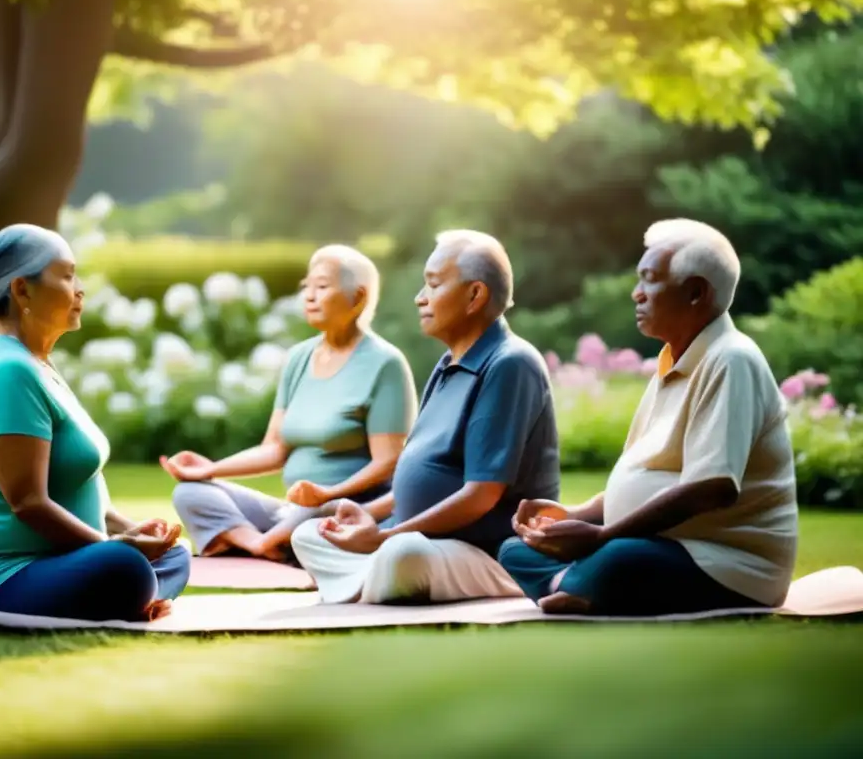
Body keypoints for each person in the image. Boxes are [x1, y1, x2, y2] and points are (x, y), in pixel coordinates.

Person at [498, 218, 799, 616]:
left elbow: (714, 486)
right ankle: (579, 584)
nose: (636, 294)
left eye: (650, 279)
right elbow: (643, 476)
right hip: (658, 547)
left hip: (725, 564)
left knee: (618, 559)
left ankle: (586, 582)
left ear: (695, 293)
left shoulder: (730, 359)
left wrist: (602, 536)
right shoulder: (671, 362)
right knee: (514, 548)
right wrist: (573, 516)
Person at [289, 230, 560, 604]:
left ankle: (376, 579)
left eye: (432, 285)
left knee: (403, 556)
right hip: (421, 540)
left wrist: (385, 537)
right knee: (310, 532)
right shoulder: (449, 363)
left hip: (484, 551)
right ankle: (377, 580)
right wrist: (365, 516)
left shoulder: (510, 363)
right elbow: (420, 471)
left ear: (474, 295)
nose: (420, 298)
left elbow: (481, 495)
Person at [0, 224, 191, 622]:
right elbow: (27, 503)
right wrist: (117, 549)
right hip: (5, 573)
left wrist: (131, 533)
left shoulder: (36, 364)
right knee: (126, 568)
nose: (79, 289)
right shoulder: (7, 371)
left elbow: (78, 486)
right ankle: (128, 589)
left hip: (63, 559)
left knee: (174, 556)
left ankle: (128, 590)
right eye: (66, 275)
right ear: (22, 290)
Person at [165, 244, 417, 562]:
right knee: (190, 493)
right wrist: (210, 469)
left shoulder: (385, 363)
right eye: (306, 287)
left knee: (317, 514)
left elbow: (389, 462)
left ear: (359, 298)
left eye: (322, 287)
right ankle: (267, 544)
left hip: (345, 512)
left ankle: (270, 544)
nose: (309, 296)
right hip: (292, 512)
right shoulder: (299, 358)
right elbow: (275, 449)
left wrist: (329, 493)